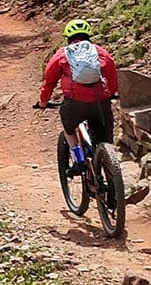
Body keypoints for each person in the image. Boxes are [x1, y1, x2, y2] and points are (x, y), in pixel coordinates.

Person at [33, 18, 119, 171]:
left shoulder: (62, 55)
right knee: (104, 137)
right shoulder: (99, 52)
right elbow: (112, 75)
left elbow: (49, 81)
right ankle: (110, 172)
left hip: (75, 103)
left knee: (69, 129)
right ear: (88, 36)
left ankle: (78, 159)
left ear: (68, 38)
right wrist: (110, 93)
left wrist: (43, 102)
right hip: (100, 102)